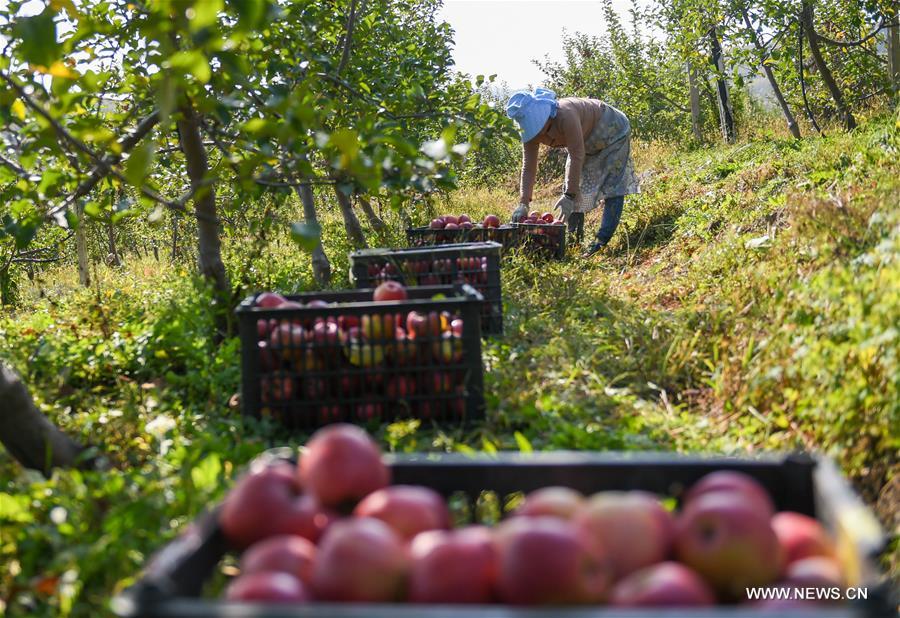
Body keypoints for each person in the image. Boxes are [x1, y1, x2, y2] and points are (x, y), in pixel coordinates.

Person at [506, 88, 639, 256]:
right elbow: (529, 166)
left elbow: (577, 155)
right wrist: (523, 203)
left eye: (541, 129)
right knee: (573, 185)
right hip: (585, 143)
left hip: (612, 131)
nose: (539, 135)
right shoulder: (532, 135)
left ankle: (600, 243)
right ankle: (574, 240)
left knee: (613, 187)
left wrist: (570, 195)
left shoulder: (566, 114)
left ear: (547, 117)